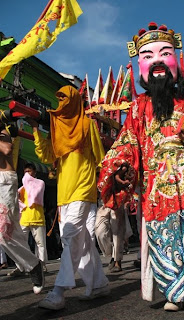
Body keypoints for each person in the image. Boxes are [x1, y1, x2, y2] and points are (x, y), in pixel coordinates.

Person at [98, 22, 184, 312]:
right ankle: (178, 291)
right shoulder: (137, 108)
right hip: (155, 186)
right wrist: (121, 166)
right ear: (140, 65)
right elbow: (127, 142)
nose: (156, 60)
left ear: (177, 59)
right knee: (164, 237)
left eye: (164, 52)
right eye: (147, 55)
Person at [27, 85, 109, 310]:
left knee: (71, 238)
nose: (60, 102)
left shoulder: (87, 125)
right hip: (64, 194)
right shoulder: (58, 129)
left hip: (83, 190)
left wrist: (106, 186)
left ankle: (58, 292)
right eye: (58, 98)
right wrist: (35, 130)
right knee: (79, 241)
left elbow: (100, 158)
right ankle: (99, 284)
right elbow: (46, 155)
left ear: (74, 101)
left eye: (64, 98)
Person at [0, 123, 44, 294]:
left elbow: (7, 149)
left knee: (4, 234)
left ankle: (34, 265)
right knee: (15, 232)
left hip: (4, 182)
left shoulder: (2, 130)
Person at [95, 204, 126, 272]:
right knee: (100, 232)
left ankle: (117, 260)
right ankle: (113, 254)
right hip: (103, 203)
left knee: (117, 231)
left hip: (117, 201)